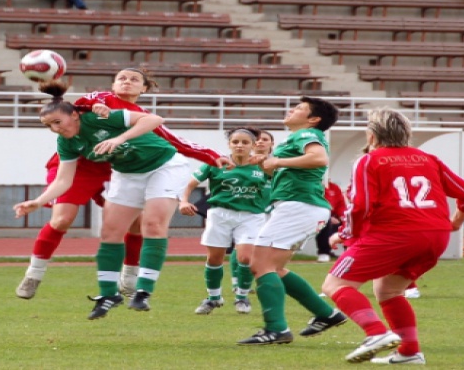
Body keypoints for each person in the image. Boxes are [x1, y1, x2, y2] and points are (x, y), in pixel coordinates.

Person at [15, 68, 229, 300]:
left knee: (136, 223)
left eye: (134, 79)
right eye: (122, 78)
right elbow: (75, 107)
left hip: (115, 166)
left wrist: (212, 156)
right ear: (113, 84)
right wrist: (93, 108)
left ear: (144, 88)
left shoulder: (140, 115)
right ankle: (34, 274)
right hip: (79, 166)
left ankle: (129, 278)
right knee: (62, 218)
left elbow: (174, 140)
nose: (127, 81)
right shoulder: (99, 100)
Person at [322, 107, 464, 364]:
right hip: (435, 236)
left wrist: (344, 233)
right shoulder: (428, 158)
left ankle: (375, 333)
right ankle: (409, 352)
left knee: (336, 285)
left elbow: (360, 205)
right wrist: (454, 223)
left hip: (394, 234)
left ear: (372, 135)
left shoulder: (369, 160)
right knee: (388, 291)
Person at [237, 96, 347, 345]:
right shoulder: (296, 138)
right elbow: (290, 169)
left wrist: (277, 161)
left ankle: (277, 329)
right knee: (274, 268)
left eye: (298, 108)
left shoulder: (307, 135)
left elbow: (319, 159)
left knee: (260, 265)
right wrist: (267, 165)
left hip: (299, 206)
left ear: (313, 119)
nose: (291, 110)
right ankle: (326, 314)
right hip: (301, 206)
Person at [179, 127, 268, 315]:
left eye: (245, 142)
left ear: (253, 145)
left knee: (245, 257)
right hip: (220, 214)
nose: (240, 145)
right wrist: (184, 201)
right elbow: (190, 184)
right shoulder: (216, 163)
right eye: (235, 142)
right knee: (214, 258)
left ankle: (242, 296)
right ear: (229, 145)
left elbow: (280, 183)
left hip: (251, 216)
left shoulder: (263, 165)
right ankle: (213, 298)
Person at [229, 130, 274, 293]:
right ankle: (237, 283)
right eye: (259, 139)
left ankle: (257, 279)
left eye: (265, 139)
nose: (261, 142)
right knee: (242, 247)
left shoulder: (277, 162)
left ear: (271, 144)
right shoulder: (246, 163)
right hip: (253, 210)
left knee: (267, 248)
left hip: (275, 210)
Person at [315, 178, 346, 262]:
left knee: (349, 225)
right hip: (317, 220)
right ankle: (324, 252)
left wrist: (343, 219)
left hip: (333, 218)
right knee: (324, 223)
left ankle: (349, 252)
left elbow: (341, 206)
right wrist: (328, 216)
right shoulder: (316, 186)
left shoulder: (335, 188)